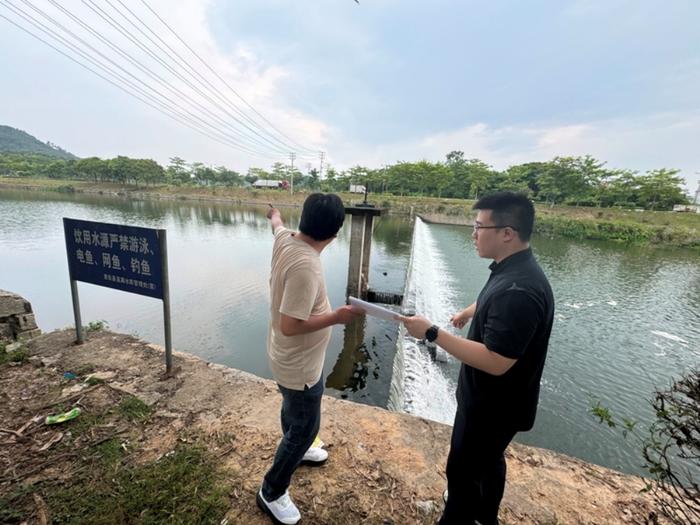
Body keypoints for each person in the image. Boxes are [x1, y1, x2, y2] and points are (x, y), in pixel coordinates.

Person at [400, 191, 554, 525]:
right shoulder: (513, 269)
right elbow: (493, 296)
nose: (473, 233)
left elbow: (497, 360)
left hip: (491, 409)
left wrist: (432, 333)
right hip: (500, 405)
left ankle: (462, 514)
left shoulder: (519, 292)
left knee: (462, 474)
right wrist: (471, 311)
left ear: (507, 233)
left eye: (479, 226)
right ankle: (486, 516)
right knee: (490, 461)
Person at [258, 193, 361, 525]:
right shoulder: (306, 266)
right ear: (335, 233)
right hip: (299, 364)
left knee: (294, 413)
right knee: (305, 426)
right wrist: (336, 317)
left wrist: (274, 214)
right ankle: (271, 491)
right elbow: (290, 325)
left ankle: (298, 450)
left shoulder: (285, 239)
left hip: (288, 359)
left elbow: (276, 224)